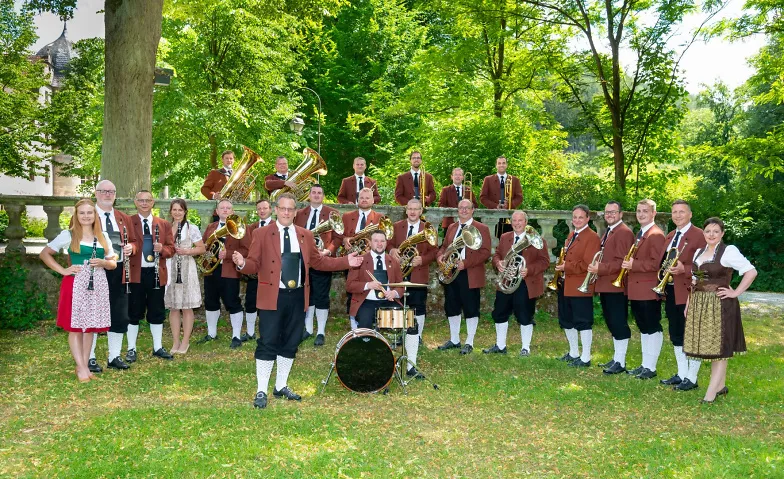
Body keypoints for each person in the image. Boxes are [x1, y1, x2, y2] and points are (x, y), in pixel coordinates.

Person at [232, 193, 363, 409]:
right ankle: (262, 390)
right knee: (268, 342)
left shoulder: (305, 235)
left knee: (291, 342)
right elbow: (254, 264)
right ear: (275, 209)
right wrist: (241, 263)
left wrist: (346, 261)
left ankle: (280, 385)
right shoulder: (261, 233)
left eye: (290, 209)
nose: (286, 212)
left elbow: (319, 262)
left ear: (295, 212)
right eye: (282, 208)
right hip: (272, 297)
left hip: (298, 297)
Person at [39, 199, 116, 382]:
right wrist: (63, 270)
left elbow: (113, 262)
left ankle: (84, 365)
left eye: (90, 212)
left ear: (95, 215)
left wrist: (104, 263)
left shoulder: (102, 235)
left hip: (97, 283)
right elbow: (44, 254)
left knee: (89, 327)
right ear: (76, 215)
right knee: (75, 327)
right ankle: (81, 368)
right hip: (76, 283)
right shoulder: (69, 235)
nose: (86, 216)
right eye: (82, 213)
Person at [684, 217, 757, 404]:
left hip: (720, 305)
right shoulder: (698, 252)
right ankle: (721, 386)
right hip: (701, 304)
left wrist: (736, 292)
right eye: (708, 231)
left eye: (716, 231)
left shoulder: (728, 251)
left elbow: (751, 271)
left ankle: (711, 393)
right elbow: (694, 281)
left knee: (719, 349)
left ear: (722, 233)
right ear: (703, 233)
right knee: (711, 346)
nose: (711, 234)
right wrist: (688, 304)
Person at [347, 230, 426, 378]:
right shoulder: (360, 260)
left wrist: (395, 293)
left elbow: (400, 285)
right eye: (376, 241)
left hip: (388, 301)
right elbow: (350, 285)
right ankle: (366, 363)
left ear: (386, 243)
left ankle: (411, 367)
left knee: (411, 323)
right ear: (370, 243)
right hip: (366, 302)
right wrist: (367, 285)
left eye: (382, 241)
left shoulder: (393, 261)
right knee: (364, 325)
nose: (379, 243)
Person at [483, 211, 549, 356]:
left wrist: (529, 269)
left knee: (524, 315)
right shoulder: (505, 237)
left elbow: (544, 262)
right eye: (514, 220)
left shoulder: (537, 239)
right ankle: (500, 346)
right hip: (506, 281)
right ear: (511, 222)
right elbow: (497, 254)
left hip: (526, 282)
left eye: (520, 220)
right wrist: (498, 263)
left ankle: (525, 348)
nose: (517, 223)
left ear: (526, 222)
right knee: (499, 313)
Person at [659, 200, 707, 391]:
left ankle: (692, 378)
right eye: (674, 212)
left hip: (690, 291)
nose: (678, 215)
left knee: (692, 335)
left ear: (690, 214)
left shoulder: (699, 235)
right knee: (676, 333)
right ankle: (682, 374)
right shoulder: (671, 235)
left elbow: (706, 265)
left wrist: (684, 269)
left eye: (682, 212)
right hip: (671, 290)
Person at [90, 180, 136, 371]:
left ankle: (114, 356)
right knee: (91, 313)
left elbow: (134, 241)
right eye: (103, 191)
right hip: (94, 270)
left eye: (111, 191)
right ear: (96, 193)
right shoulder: (86, 215)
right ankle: (89, 357)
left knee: (119, 314)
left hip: (119, 271)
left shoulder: (123, 217)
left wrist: (131, 247)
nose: (107, 194)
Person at [436, 199, 492, 355]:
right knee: (452, 306)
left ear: (473, 210)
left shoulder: (482, 228)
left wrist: (465, 263)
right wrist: (440, 256)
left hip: (470, 272)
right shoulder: (452, 227)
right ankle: (454, 340)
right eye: (461, 208)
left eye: (467, 208)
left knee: (470, 308)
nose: (464, 210)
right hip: (451, 272)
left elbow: (486, 252)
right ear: (457, 210)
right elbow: (444, 247)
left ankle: (469, 342)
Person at [127, 190, 176, 362]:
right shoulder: (128, 221)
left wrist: (162, 249)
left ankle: (157, 347)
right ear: (135, 202)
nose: (144, 203)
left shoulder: (163, 224)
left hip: (156, 273)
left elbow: (172, 249)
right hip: (136, 273)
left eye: (148, 200)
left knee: (157, 311)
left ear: (153, 202)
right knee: (133, 312)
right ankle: (131, 348)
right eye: (141, 200)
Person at [587, 201, 635, 374]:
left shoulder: (623, 232)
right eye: (607, 212)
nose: (609, 215)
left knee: (618, 322)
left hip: (615, 285)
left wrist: (600, 268)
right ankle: (616, 358)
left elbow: (622, 262)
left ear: (621, 214)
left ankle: (620, 363)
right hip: (606, 284)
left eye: (613, 212)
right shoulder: (610, 231)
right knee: (611, 322)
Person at [624, 199, 666, 380]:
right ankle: (644, 365)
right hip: (637, 288)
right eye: (638, 211)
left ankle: (651, 367)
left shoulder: (655, 234)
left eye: (645, 211)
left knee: (652, 327)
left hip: (648, 288)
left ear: (653, 213)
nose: (641, 214)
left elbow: (657, 263)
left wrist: (634, 264)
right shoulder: (641, 233)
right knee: (643, 326)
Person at [554, 205, 601, 367]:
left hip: (581, 284)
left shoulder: (592, 237)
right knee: (567, 319)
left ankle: (586, 357)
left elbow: (588, 263)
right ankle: (574, 352)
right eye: (574, 217)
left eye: (581, 217)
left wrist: (565, 266)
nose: (577, 220)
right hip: (566, 283)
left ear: (588, 218)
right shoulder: (572, 234)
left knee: (583, 321)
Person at [294, 184, 341, 346]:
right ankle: (308, 329)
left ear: (323, 196)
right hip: (303, 260)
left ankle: (320, 331)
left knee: (321, 296)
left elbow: (338, 237)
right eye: (313, 192)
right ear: (309, 195)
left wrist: (327, 251)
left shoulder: (332, 213)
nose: (316, 195)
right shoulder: (300, 214)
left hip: (322, 258)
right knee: (306, 294)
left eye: (319, 193)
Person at [199, 199, 249, 349]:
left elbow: (247, 251)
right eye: (222, 208)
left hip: (230, 270)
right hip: (212, 271)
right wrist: (207, 252)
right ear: (217, 211)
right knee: (211, 301)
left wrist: (228, 254)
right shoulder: (210, 227)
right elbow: (203, 246)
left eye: (228, 208)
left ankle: (236, 336)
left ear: (232, 211)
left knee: (232, 302)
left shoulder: (241, 228)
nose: (225, 210)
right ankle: (212, 333)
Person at [388, 199, 439, 344]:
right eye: (410, 208)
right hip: (399, 272)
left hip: (418, 271)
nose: (412, 212)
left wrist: (422, 259)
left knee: (418, 305)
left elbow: (434, 251)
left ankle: (418, 336)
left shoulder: (428, 229)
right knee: (400, 304)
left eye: (416, 209)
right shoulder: (397, 226)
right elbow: (389, 243)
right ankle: (401, 335)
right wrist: (392, 250)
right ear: (405, 210)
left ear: (421, 211)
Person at [337, 187, 386, 329]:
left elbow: (385, 238)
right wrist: (345, 239)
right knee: (352, 291)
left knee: (371, 290)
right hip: (352, 259)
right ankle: (354, 324)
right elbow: (339, 235)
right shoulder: (346, 216)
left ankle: (373, 322)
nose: (364, 200)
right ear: (357, 200)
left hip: (371, 260)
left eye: (367, 198)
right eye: (362, 198)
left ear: (373, 200)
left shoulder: (380, 218)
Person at [165, 199, 206, 354]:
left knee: (186, 307)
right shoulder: (166, 227)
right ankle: (175, 341)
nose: (177, 213)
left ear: (185, 212)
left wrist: (187, 251)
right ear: (170, 211)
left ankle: (185, 341)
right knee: (174, 307)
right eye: (174, 210)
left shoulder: (191, 228)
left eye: (180, 210)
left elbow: (201, 248)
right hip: (171, 267)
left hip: (187, 267)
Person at [241, 199, 273, 343]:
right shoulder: (251, 227)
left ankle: (268, 332)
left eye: (264, 208)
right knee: (250, 301)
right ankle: (250, 332)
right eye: (259, 208)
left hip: (272, 272)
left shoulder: (277, 226)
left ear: (271, 209)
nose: (262, 211)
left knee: (269, 303)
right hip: (255, 272)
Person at [479, 156, 523, 236]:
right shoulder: (488, 179)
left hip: (509, 215)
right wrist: (495, 206)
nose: (501, 165)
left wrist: (510, 205)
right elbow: (483, 198)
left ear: (507, 165)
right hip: (493, 216)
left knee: (508, 241)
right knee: (493, 240)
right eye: (499, 163)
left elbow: (519, 197)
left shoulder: (515, 180)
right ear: (496, 165)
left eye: (503, 163)